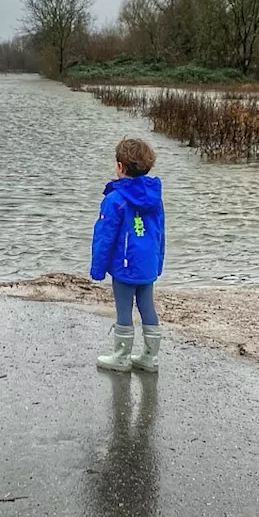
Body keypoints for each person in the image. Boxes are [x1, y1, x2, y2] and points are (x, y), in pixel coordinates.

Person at [90, 138, 166, 372]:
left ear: (120, 167)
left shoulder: (114, 200)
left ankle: (121, 356)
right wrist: (158, 263)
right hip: (147, 264)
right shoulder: (155, 197)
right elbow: (160, 233)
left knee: (124, 308)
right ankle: (150, 358)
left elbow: (105, 237)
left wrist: (98, 269)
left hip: (125, 266)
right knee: (147, 307)